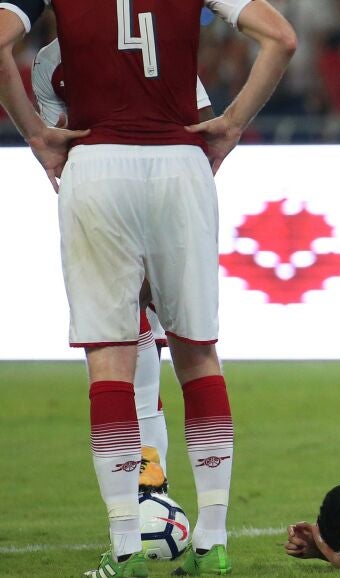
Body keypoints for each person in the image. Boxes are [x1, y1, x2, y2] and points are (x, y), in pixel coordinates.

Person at [0, 1, 296, 576]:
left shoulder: (56, 53)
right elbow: (282, 38)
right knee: (198, 353)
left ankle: (126, 546)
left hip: (97, 163)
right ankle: (213, 542)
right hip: (179, 162)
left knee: (110, 360)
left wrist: (34, 133)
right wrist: (234, 123)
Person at [31, 36, 220, 495]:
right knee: (138, 334)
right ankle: (154, 487)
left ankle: (149, 492)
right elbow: (61, 138)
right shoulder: (51, 61)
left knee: (146, 340)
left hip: (152, 187)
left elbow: (199, 122)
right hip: (115, 195)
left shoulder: (66, 55)